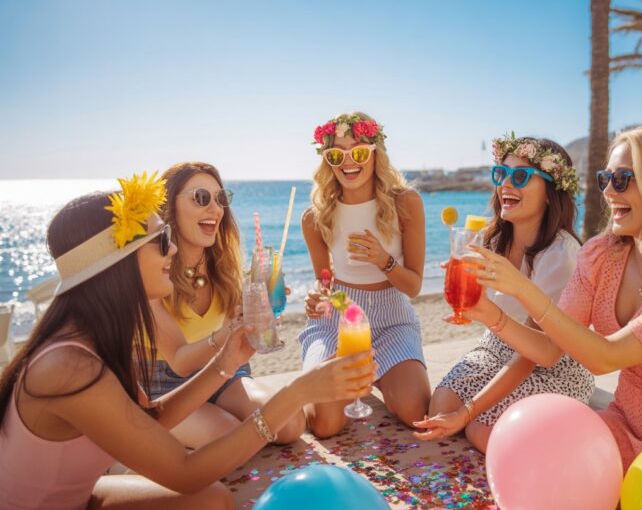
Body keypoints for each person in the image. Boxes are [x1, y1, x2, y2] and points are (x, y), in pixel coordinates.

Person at [0, 174, 375, 509]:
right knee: (208, 493)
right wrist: (296, 392)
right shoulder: (70, 367)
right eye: (160, 240)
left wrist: (224, 362)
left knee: (215, 499)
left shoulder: (94, 340)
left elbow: (151, 419)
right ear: (119, 262)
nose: (173, 249)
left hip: (79, 496)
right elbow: (186, 472)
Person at [463, 126, 642, 470]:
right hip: (624, 421)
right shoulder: (602, 255)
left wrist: (522, 288)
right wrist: (486, 313)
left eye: (623, 179)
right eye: (606, 179)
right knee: (533, 459)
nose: (608, 193)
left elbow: (605, 358)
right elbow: (548, 350)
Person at [413, 134, 594, 452]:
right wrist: (465, 292)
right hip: (496, 345)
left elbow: (535, 355)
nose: (506, 184)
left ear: (551, 193)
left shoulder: (561, 254)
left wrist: (468, 412)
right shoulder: (490, 238)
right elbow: (481, 306)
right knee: (439, 409)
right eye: (502, 174)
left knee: (483, 430)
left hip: (550, 364)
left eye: (521, 176)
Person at [146, 162, 304, 449]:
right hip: (163, 383)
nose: (216, 210)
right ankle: (147, 430)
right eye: (201, 198)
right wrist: (228, 332)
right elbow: (180, 361)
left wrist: (254, 311)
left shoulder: (223, 266)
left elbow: (238, 327)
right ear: (169, 206)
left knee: (290, 423)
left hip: (221, 371)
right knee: (231, 437)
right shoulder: (150, 272)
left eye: (220, 200)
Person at [301, 112, 430, 437]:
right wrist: (318, 297)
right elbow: (326, 282)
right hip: (339, 318)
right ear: (326, 160)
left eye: (357, 151)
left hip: (391, 319)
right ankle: (355, 379)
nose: (348, 162)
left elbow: (413, 287)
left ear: (375, 152)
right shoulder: (315, 217)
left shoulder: (406, 203)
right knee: (325, 425)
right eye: (336, 155)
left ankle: (372, 377)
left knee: (415, 411)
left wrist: (383, 261)